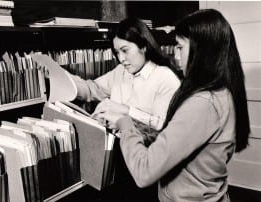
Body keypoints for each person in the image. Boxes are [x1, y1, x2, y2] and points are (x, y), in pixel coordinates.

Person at [95, 9, 250, 202]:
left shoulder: (202, 104)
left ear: (201, 50)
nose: (175, 55)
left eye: (179, 46)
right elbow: (177, 139)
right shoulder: (221, 91)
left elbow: (144, 172)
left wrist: (124, 124)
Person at [70, 17, 181, 132]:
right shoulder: (120, 71)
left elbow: (162, 126)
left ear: (143, 47)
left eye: (125, 50)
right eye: (117, 52)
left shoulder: (165, 77)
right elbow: (91, 89)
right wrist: (60, 77)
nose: (121, 59)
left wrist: (126, 111)